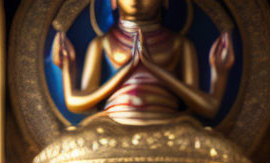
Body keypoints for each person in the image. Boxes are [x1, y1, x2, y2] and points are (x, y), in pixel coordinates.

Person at [51, 0, 235, 126]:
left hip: (168, 126)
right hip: (113, 126)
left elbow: (207, 108)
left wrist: (220, 74)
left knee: (209, 143)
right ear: (113, 1)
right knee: (75, 142)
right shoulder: (102, 43)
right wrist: (68, 70)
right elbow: (76, 103)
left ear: (165, 1)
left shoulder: (180, 44)